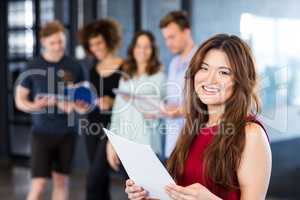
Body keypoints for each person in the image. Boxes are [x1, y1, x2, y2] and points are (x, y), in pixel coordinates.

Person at [124, 34, 272, 200]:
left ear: (241, 81)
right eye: (204, 68)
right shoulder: (194, 126)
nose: (209, 80)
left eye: (223, 72)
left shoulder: (250, 133)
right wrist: (150, 194)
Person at [15, 21, 84, 200]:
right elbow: (20, 100)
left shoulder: (74, 66)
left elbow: (84, 102)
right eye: (53, 43)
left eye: (61, 41)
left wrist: (72, 106)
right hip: (41, 133)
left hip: (67, 133)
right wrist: (35, 106)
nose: (58, 46)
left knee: (61, 182)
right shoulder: (32, 66)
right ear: (43, 42)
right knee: (39, 185)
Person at [107, 31, 165, 171]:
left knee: (147, 192)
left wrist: (154, 110)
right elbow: (117, 113)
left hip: (147, 146)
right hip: (124, 144)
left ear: (153, 50)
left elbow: (166, 111)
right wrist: (111, 142)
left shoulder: (160, 77)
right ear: (133, 48)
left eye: (147, 46)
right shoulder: (125, 77)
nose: (142, 50)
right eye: (138, 46)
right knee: (130, 191)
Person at [78, 19, 123, 200]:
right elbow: (91, 96)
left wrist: (112, 102)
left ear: (109, 40)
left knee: (93, 182)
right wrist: (82, 102)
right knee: (101, 181)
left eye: (99, 42)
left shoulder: (125, 66)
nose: (95, 48)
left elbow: (131, 98)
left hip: (112, 129)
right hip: (91, 126)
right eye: (91, 45)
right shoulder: (93, 68)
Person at [158, 10, 197, 158]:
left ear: (186, 32)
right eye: (165, 38)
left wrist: (179, 111)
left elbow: (207, 105)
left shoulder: (201, 61)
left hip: (191, 144)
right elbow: (173, 101)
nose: (168, 43)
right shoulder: (173, 63)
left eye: (172, 37)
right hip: (172, 144)